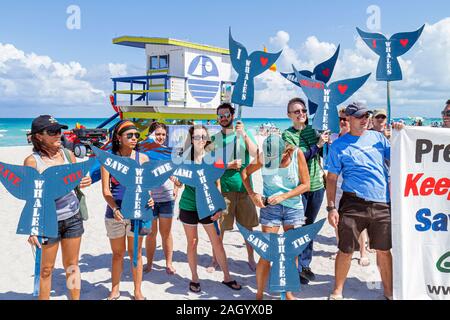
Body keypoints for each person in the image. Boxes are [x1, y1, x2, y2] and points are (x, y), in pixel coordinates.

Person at [326, 102, 393, 300]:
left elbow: (399, 157)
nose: (365, 119)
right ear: (348, 119)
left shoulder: (379, 138)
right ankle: (337, 291)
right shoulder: (338, 145)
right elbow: (331, 178)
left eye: (367, 115)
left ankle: (389, 292)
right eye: (360, 116)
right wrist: (331, 207)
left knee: (383, 250)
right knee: (345, 249)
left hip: (382, 202)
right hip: (353, 202)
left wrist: (399, 133)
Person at [26, 115, 92, 300]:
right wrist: (32, 229)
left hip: (72, 217)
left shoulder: (68, 155)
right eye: (52, 132)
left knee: (72, 266)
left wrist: (82, 181)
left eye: (59, 131)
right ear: (38, 136)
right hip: (47, 221)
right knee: (46, 270)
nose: (58, 135)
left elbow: (74, 181)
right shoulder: (32, 162)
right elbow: (31, 198)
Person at [241, 134, 310, 300]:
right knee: (266, 253)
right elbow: (245, 172)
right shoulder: (264, 157)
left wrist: (284, 196)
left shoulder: (296, 154)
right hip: (270, 207)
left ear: (285, 151)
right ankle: (259, 295)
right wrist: (252, 195)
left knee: (290, 253)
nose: (271, 161)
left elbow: (306, 185)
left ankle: (287, 293)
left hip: (293, 206)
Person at [178, 125, 242, 293]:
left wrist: (219, 206)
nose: (200, 140)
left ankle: (227, 277)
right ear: (191, 140)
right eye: (196, 137)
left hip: (207, 205)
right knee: (192, 243)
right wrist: (175, 179)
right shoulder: (184, 159)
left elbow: (218, 184)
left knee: (217, 242)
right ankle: (194, 278)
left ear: (207, 139)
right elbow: (178, 181)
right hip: (189, 205)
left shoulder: (214, 158)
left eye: (203, 136)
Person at [101, 120, 152, 300]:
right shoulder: (108, 160)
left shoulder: (142, 159)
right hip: (115, 214)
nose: (134, 138)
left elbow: (146, 186)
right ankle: (115, 290)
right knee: (117, 254)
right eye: (129, 135)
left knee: (136, 253)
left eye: (136, 135)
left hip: (137, 213)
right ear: (118, 137)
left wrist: (150, 198)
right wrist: (114, 208)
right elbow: (106, 191)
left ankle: (137, 291)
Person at [282, 97, 328, 285]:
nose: (301, 114)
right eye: (296, 112)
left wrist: (325, 142)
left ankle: (305, 265)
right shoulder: (287, 135)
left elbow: (324, 154)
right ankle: (294, 266)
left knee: (309, 227)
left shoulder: (313, 130)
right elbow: (301, 157)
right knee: (297, 227)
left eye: (303, 111)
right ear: (289, 115)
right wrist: (317, 145)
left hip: (317, 185)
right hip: (299, 187)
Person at [209, 103, 259, 272]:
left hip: (245, 189)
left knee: (247, 228)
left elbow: (256, 154)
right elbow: (210, 164)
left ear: (232, 115)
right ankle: (215, 259)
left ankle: (251, 259)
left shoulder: (243, 134)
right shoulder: (215, 138)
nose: (223, 118)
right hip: (224, 190)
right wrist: (228, 165)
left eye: (226, 115)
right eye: (220, 116)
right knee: (220, 228)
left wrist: (243, 134)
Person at [329, 108, 370, 266]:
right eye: (340, 119)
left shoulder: (357, 137)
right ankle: (341, 247)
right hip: (337, 184)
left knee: (360, 220)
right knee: (337, 220)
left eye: (345, 119)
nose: (342, 122)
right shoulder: (333, 138)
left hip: (355, 186)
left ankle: (363, 252)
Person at [144, 122, 181, 274]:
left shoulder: (169, 153)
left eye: (163, 135)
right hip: (150, 200)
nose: (160, 137)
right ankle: (150, 263)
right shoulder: (145, 153)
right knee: (151, 233)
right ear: (151, 135)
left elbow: (179, 178)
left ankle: (168, 263)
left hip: (166, 198)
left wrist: (177, 186)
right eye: (157, 134)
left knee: (166, 233)